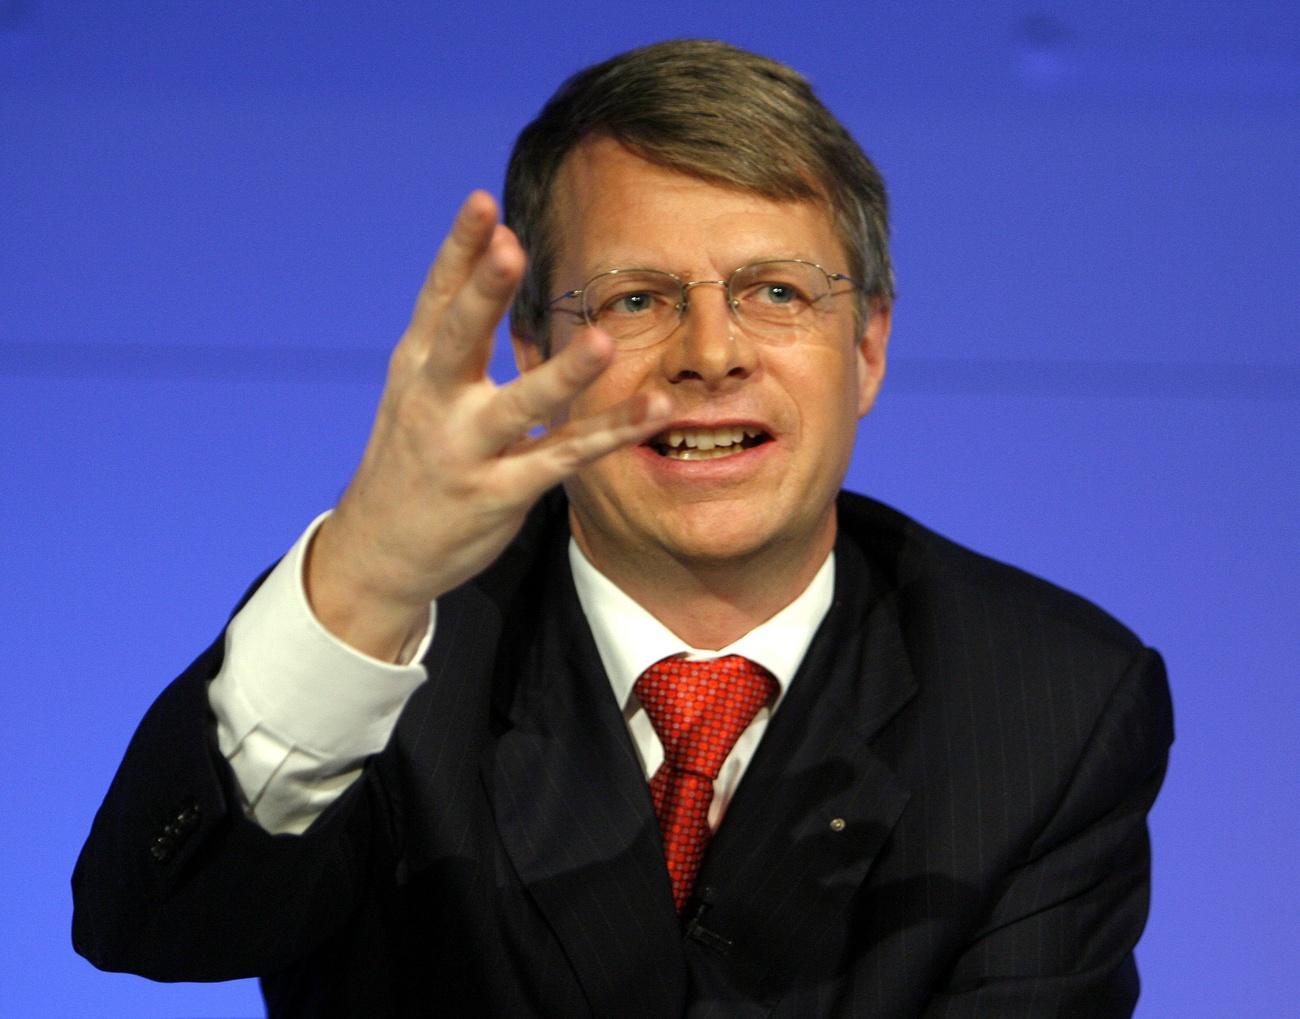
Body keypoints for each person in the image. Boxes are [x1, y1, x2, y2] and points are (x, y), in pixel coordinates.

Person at [72, 39, 1173, 1018]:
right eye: (635, 299)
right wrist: (364, 576)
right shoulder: (381, 627)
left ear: (869, 348)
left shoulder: (1051, 702)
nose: (711, 353)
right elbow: (154, 923)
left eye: (777, 292)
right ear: (534, 353)